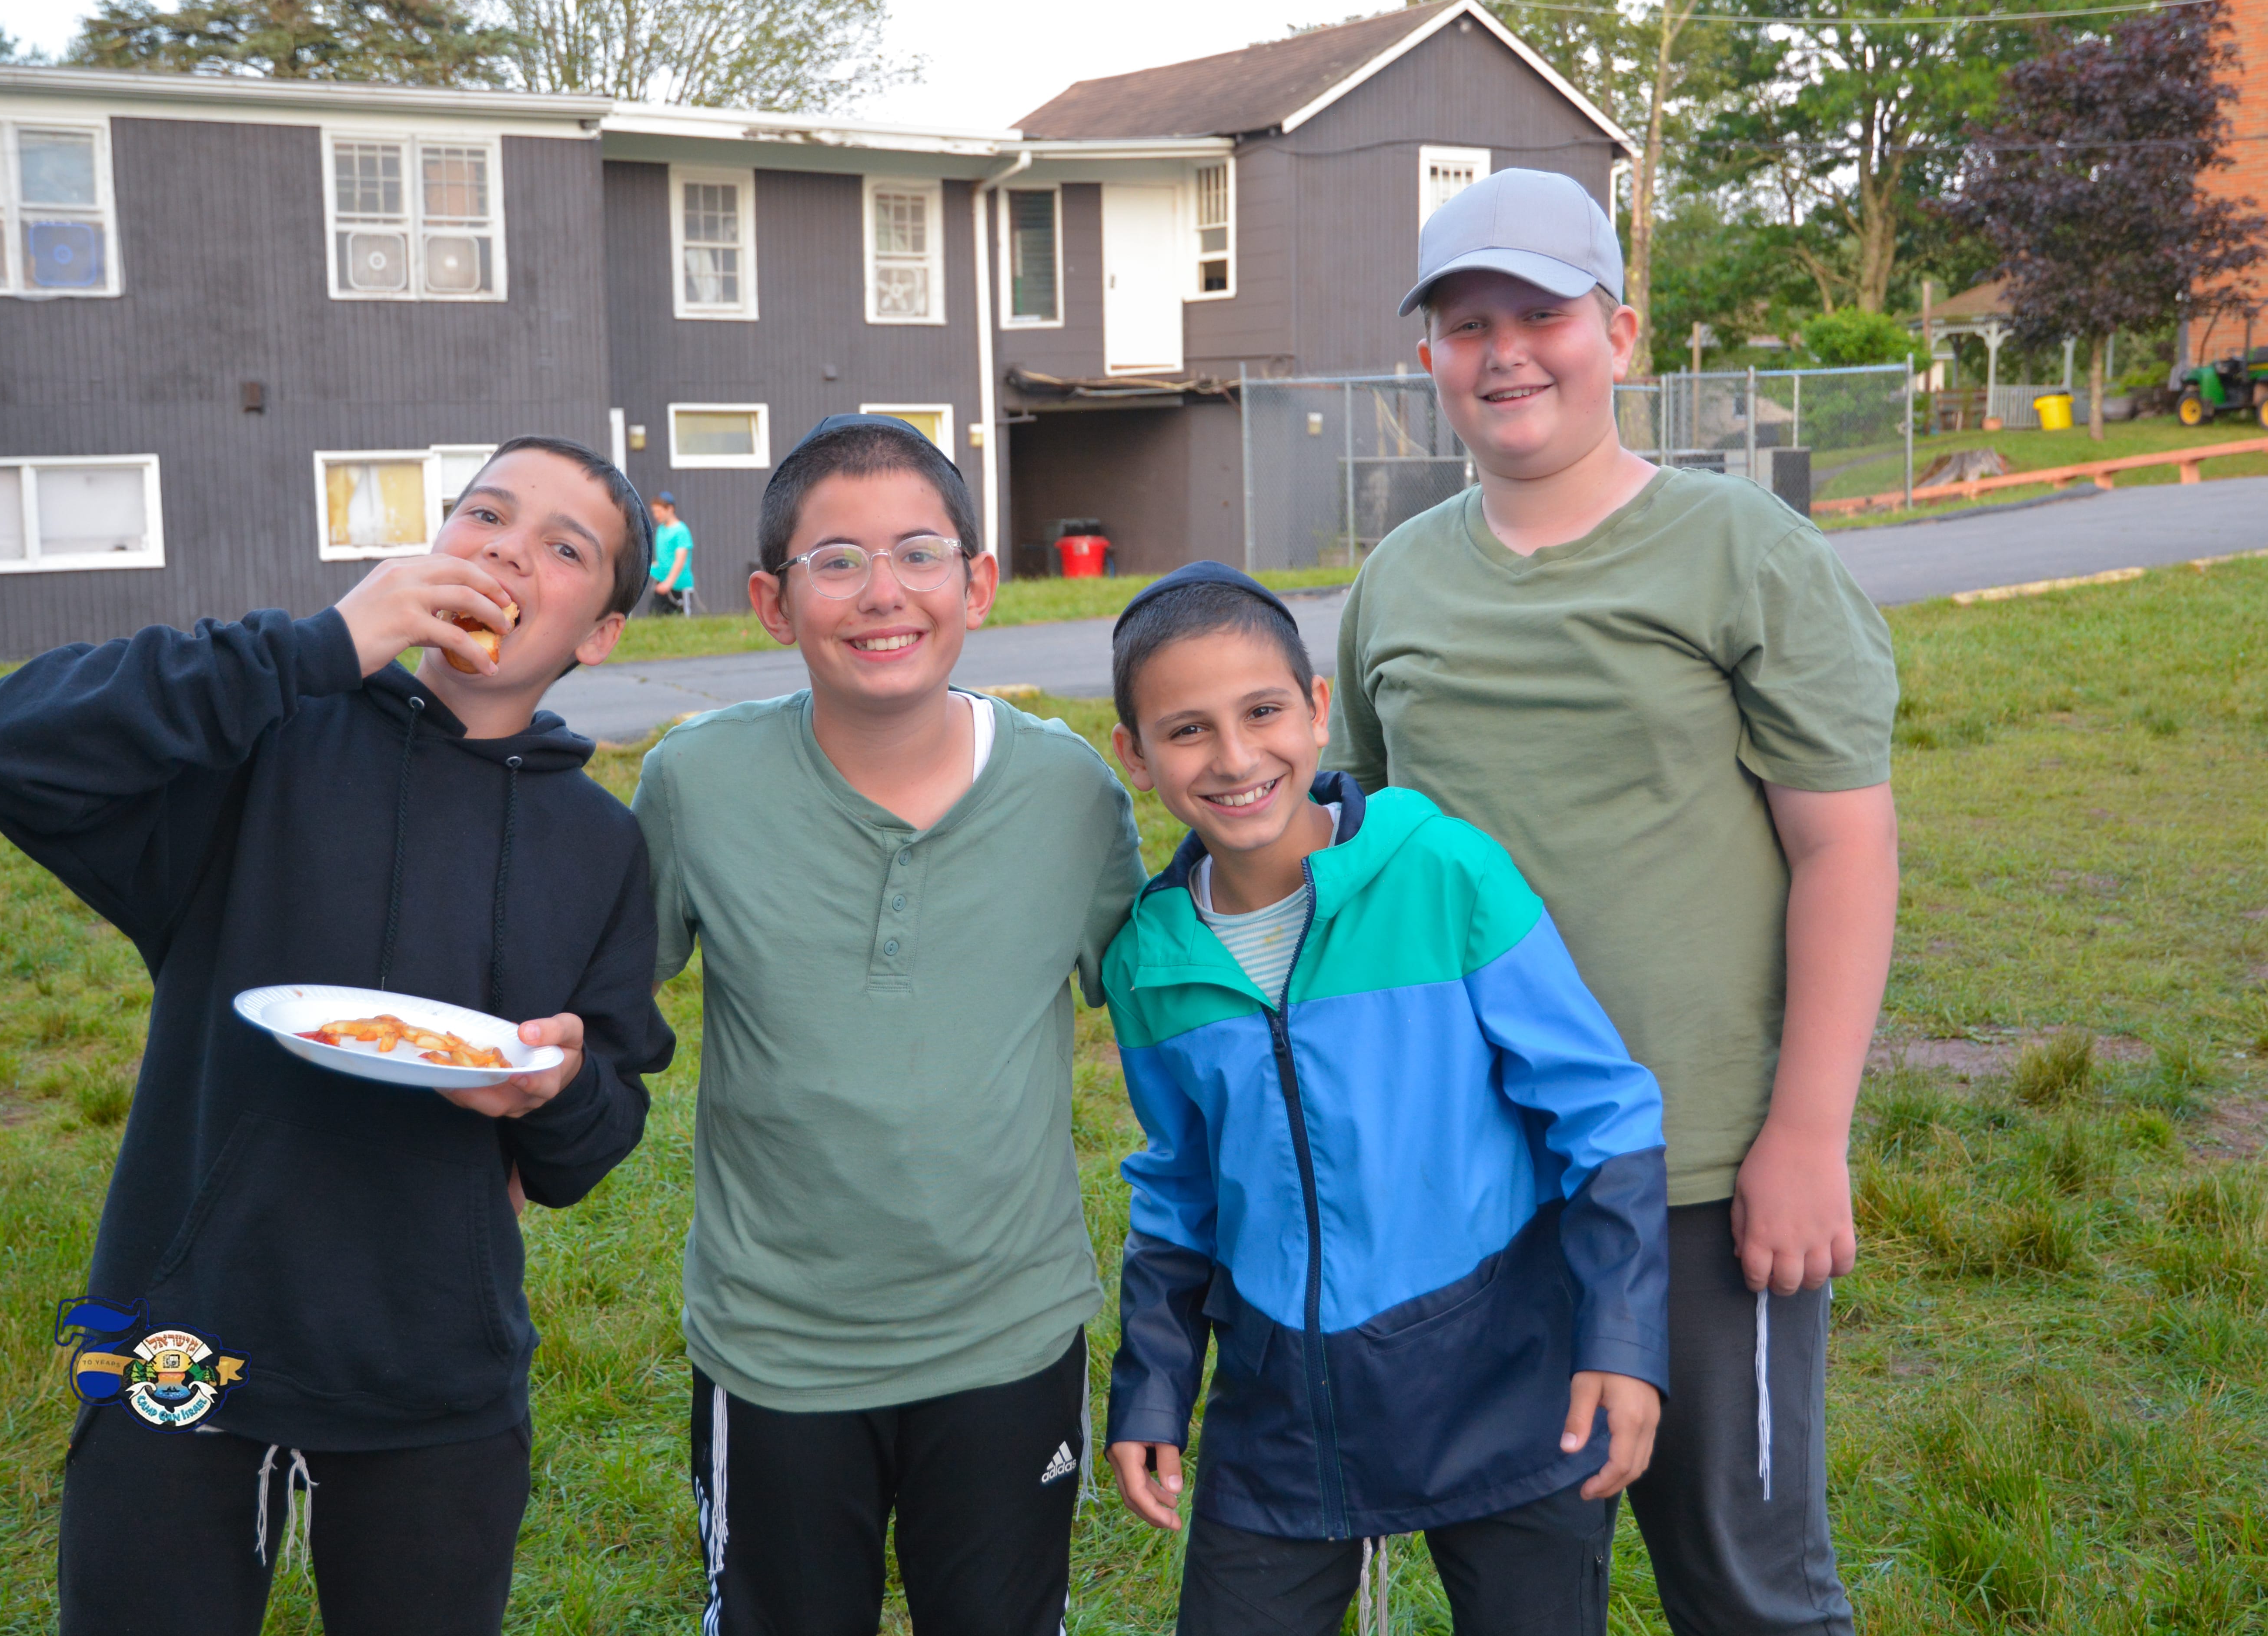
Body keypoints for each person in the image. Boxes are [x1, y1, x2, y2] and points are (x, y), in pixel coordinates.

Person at [0, 436, 677, 1636]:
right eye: (485, 514)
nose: (508, 549)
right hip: (183, 1340)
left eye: (563, 547)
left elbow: (593, 1140)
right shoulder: (264, 742)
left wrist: (554, 1089)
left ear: (599, 633)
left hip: (434, 1378)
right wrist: (318, 647)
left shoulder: (598, 845)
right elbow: (13, 742)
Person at [1328, 168, 1899, 1636]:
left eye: (1543, 315)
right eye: (1468, 325)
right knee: (1521, 1590)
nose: (1505, 352)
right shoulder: (1396, 583)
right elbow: (1368, 865)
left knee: (1748, 1585)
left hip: (1704, 1169)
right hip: (1480, 1179)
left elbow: (1843, 849)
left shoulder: (1741, 549)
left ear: (1622, 334)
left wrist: (1807, 1133)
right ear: (1428, 358)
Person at [630, 414, 1146, 1636]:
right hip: (777, 1344)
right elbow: (593, 1002)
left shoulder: (1071, 794)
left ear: (977, 583)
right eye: (837, 560)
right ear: (771, 600)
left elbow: (1175, 1009)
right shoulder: (694, 783)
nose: (882, 592)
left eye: (919, 553)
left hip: (1008, 1334)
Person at [1098, 562, 1669, 1636]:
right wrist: (1153, 1388)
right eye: (1186, 730)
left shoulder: (1446, 872)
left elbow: (1604, 1114)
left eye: (1261, 712)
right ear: (1134, 754)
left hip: (1507, 1386)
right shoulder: (1148, 960)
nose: (1234, 758)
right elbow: (1178, 1191)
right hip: (1281, 1416)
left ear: (1317, 711)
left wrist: (1622, 1339)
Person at [649, 491, 696, 615]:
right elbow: (664, 560)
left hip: (678, 586)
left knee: (680, 621)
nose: (656, 515)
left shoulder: (681, 531)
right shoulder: (661, 530)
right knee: (655, 617)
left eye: (659, 511)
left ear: (670, 509)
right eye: (654, 512)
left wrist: (668, 583)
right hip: (661, 583)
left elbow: (680, 560)